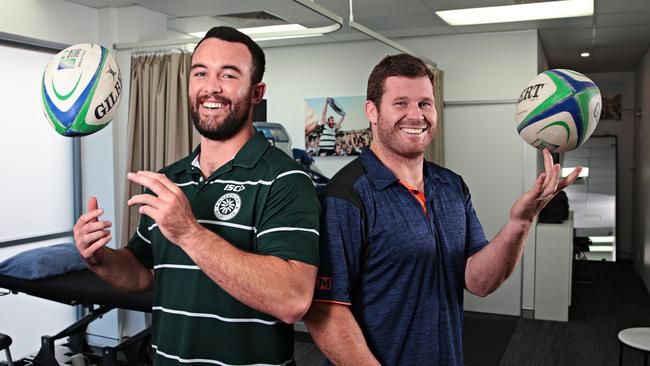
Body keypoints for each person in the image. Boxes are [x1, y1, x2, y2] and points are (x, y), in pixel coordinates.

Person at [303, 53, 581, 365]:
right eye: (400, 103)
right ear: (372, 111)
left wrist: (521, 221)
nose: (415, 115)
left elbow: (479, 281)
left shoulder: (451, 186)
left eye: (424, 103)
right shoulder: (346, 195)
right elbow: (325, 312)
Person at [73, 26, 320, 366]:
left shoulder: (286, 179)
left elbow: (293, 299)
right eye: (200, 73)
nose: (211, 87)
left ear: (256, 92)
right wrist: (100, 259)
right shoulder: (169, 180)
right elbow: (142, 272)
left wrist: (188, 232)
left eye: (228, 75)